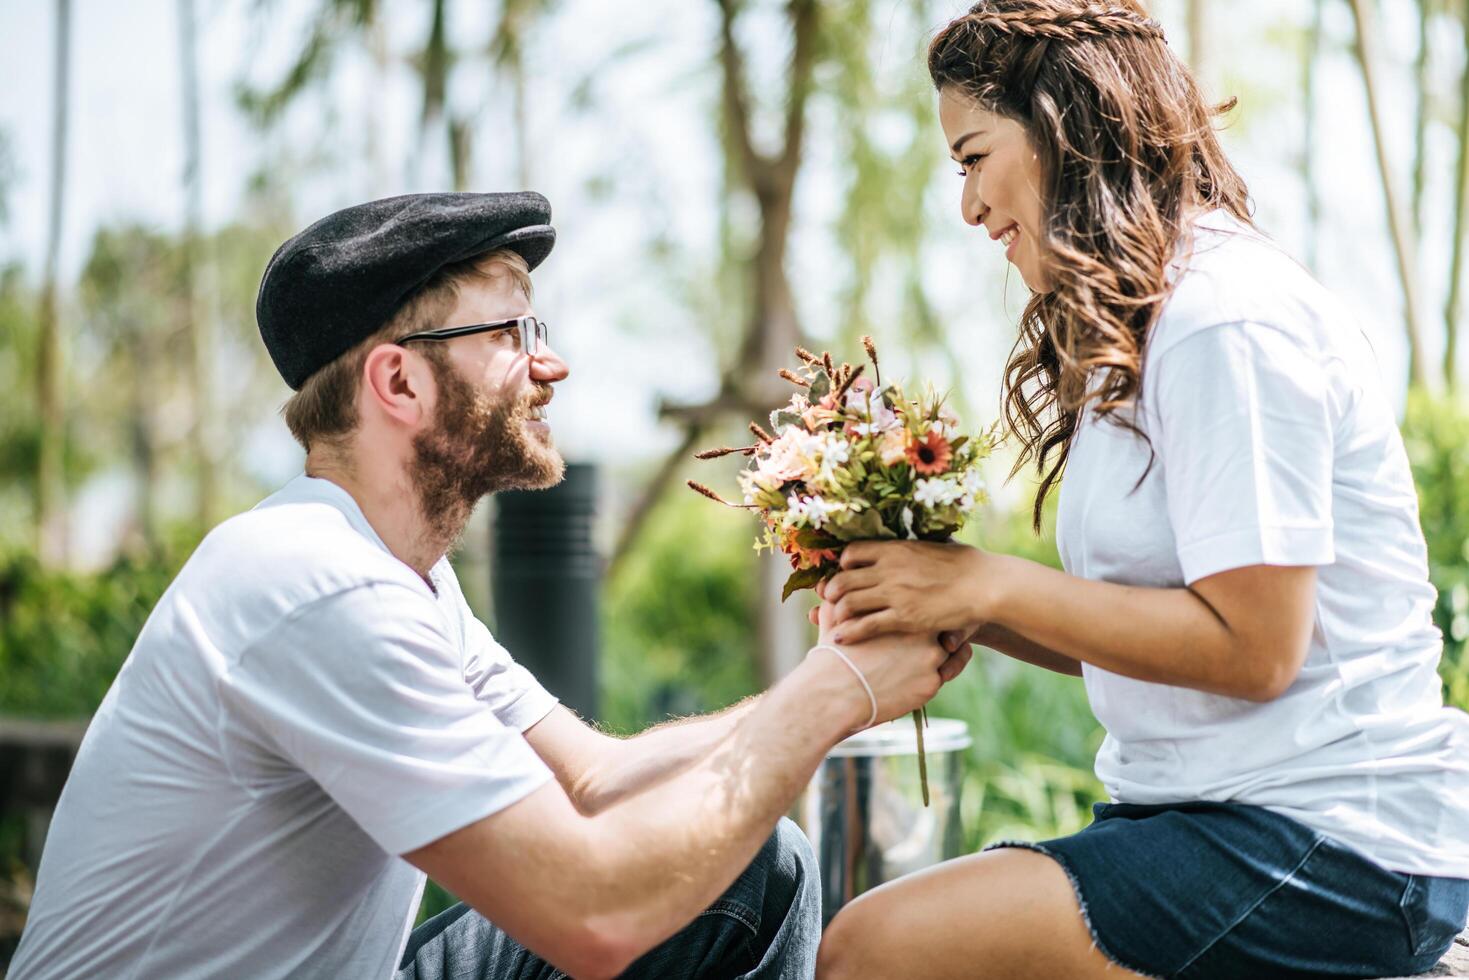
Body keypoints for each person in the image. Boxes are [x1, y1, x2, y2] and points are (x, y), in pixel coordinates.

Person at [10, 192, 953, 980]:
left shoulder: (402, 576)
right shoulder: (315, 584)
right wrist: (837, 696)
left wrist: (839, 672)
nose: (552, 363)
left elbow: (595, 778)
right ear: (399, 384)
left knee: (749, 870)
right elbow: (592, 916)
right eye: (511, 329)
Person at [813, 3, 1469, 978]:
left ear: (1057, 128)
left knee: (877, 946)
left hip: (1336, 840)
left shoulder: (1221, 319)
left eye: (970, 156)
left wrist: (987, 584)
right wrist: (951, 605)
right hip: (1214, 816)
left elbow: (1253, 646)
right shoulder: (1148, 321)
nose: (965, 206)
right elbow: (1158, 624)